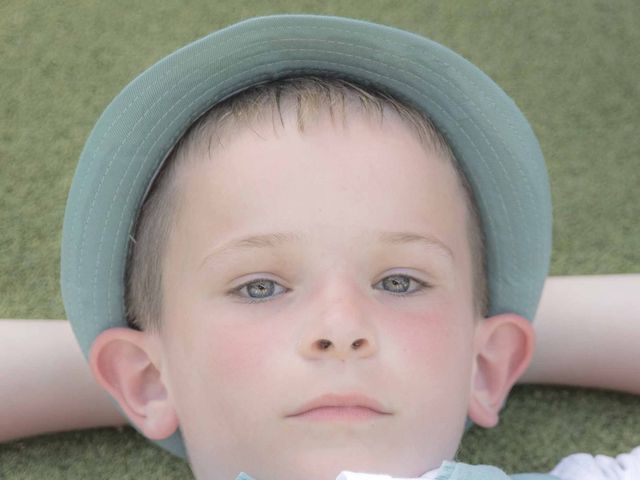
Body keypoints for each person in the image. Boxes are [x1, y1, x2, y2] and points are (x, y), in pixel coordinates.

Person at [3, 14, 639, 480]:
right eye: (260, 286)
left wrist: (482, 332)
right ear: (141, 378)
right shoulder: (152, 375)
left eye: (399, 283)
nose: (342, 328)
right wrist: (158, 365)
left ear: (489, 367)